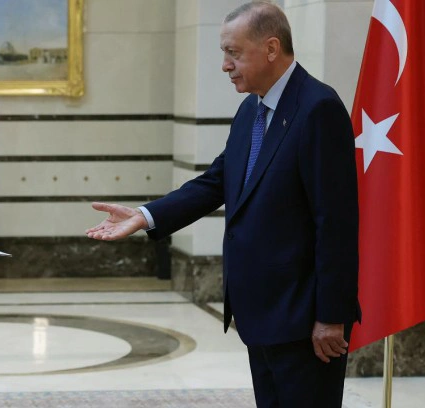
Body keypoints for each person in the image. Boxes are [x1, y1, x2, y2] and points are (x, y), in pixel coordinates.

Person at [86, 2, 360, 407]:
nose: (225, 65)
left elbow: (335, 222)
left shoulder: (318, 108)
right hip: (260, 315)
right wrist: (145, 216)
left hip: (303, 320)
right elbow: (217, 181)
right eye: (223, 53)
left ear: (271, 48)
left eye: (234, 53)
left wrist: (331, 316)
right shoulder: (252, 108)